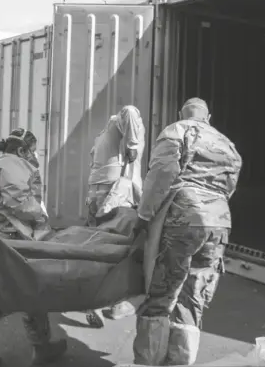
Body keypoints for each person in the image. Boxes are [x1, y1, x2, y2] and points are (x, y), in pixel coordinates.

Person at [131, 98, 243, 366]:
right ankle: (180, 361)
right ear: (209, 117)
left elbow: (161, 173)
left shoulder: (177, 130)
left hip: (185, 215)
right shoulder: (228, 144)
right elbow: (230, 186)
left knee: (162, 290)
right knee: (194, 294)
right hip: (220, 221)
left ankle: (148, 361)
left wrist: (144, 216)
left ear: (181, 113)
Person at [0, 128, 67, 367]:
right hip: (7, 240)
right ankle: (41, 348)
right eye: (32, 149)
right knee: (29, 290)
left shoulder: (6, 163)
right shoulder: (11, 167)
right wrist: (42, 220)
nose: (35, 154)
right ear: (22, 150)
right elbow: (20, 203)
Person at [85, 105, 146, 328]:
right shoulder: (122, 120)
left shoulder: (102, 138)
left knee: (97, 247)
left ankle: (95, 299)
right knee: (120, 249)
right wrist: (133, 148)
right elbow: (130, 111)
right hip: (115, 195)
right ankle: (114, 302)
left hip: (97, 194)